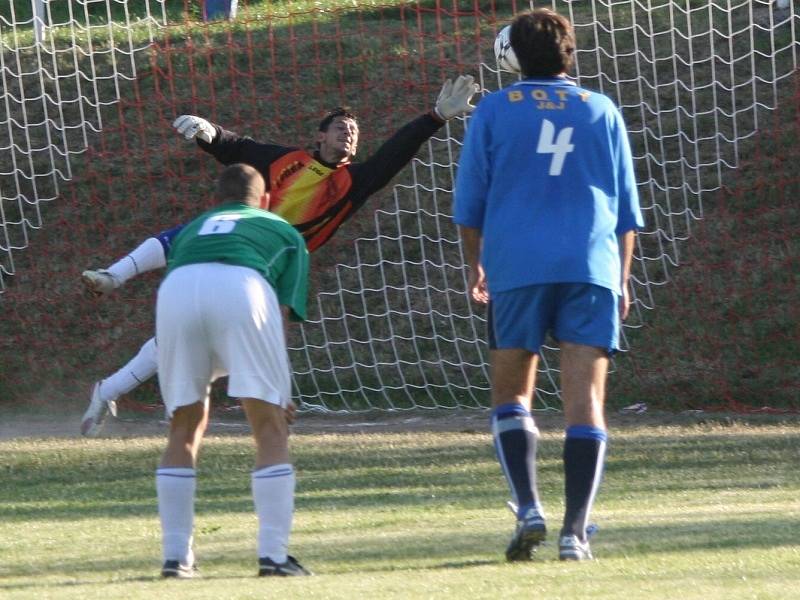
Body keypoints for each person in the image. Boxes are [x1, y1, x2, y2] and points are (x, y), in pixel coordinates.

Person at [80, 75, 479, 436]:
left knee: (180, 341)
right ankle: (114, 276)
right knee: (194, 243)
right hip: (240, 241)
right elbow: (237, 148)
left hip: (263, 268)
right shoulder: (287, 161)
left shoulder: (353, 182)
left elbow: (395, 153)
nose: (349, 135)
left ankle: (111, 392)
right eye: (341, 128)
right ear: (320, 136)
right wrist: (208, 132)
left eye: (354, 132)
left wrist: (435, 117)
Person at [453, 9, 643, 562]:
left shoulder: (493, 110)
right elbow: (627, 212)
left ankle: (529, 507)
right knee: (585, 401)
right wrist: (623, 279)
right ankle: (574, 533)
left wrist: (476, 265)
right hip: (590, 267)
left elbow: (470, 205)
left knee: (512, 394)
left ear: (512, 54)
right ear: (569, 53)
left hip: (517, 267)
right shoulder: (600, 109)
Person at [154, 163, 310, 578]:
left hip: (176, 291)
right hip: (243, 288)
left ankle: (176, 558)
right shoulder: (283, 230)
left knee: (184, 425)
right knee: (269, 426)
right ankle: (274, 557)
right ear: (264, 201)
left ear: (216, 201)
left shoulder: (193, 228)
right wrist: (282, 391)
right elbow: (277, 313)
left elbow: (182, 274)